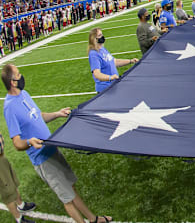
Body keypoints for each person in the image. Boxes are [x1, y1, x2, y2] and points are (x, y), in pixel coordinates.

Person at [1, 64, 112, 223]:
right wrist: (30, 142)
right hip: (42, 159)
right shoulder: (10, 107)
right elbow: (17, 143)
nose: (21, 76)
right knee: (67, 199)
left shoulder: (24, 94)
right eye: (19, 74)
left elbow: (38, 116)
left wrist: (57, 114)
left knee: (71, 189)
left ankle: (93, 219)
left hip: (52, 149)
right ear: (12, 82)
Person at [0, 131, 37, 223]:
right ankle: (19, 219)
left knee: (13, 182)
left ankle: (21, 205)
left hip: (1, 157)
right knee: (7, 191)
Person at [88, 28, 138, 94]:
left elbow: (114, 62)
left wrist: (130, 61)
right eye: (100, 35)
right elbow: (97, 74)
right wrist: (110, 77)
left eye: (102, 34)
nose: (102, 36)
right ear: (94, 39)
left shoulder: (102, 49)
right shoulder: (93, 54)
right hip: (105, 89)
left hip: (113, 85)